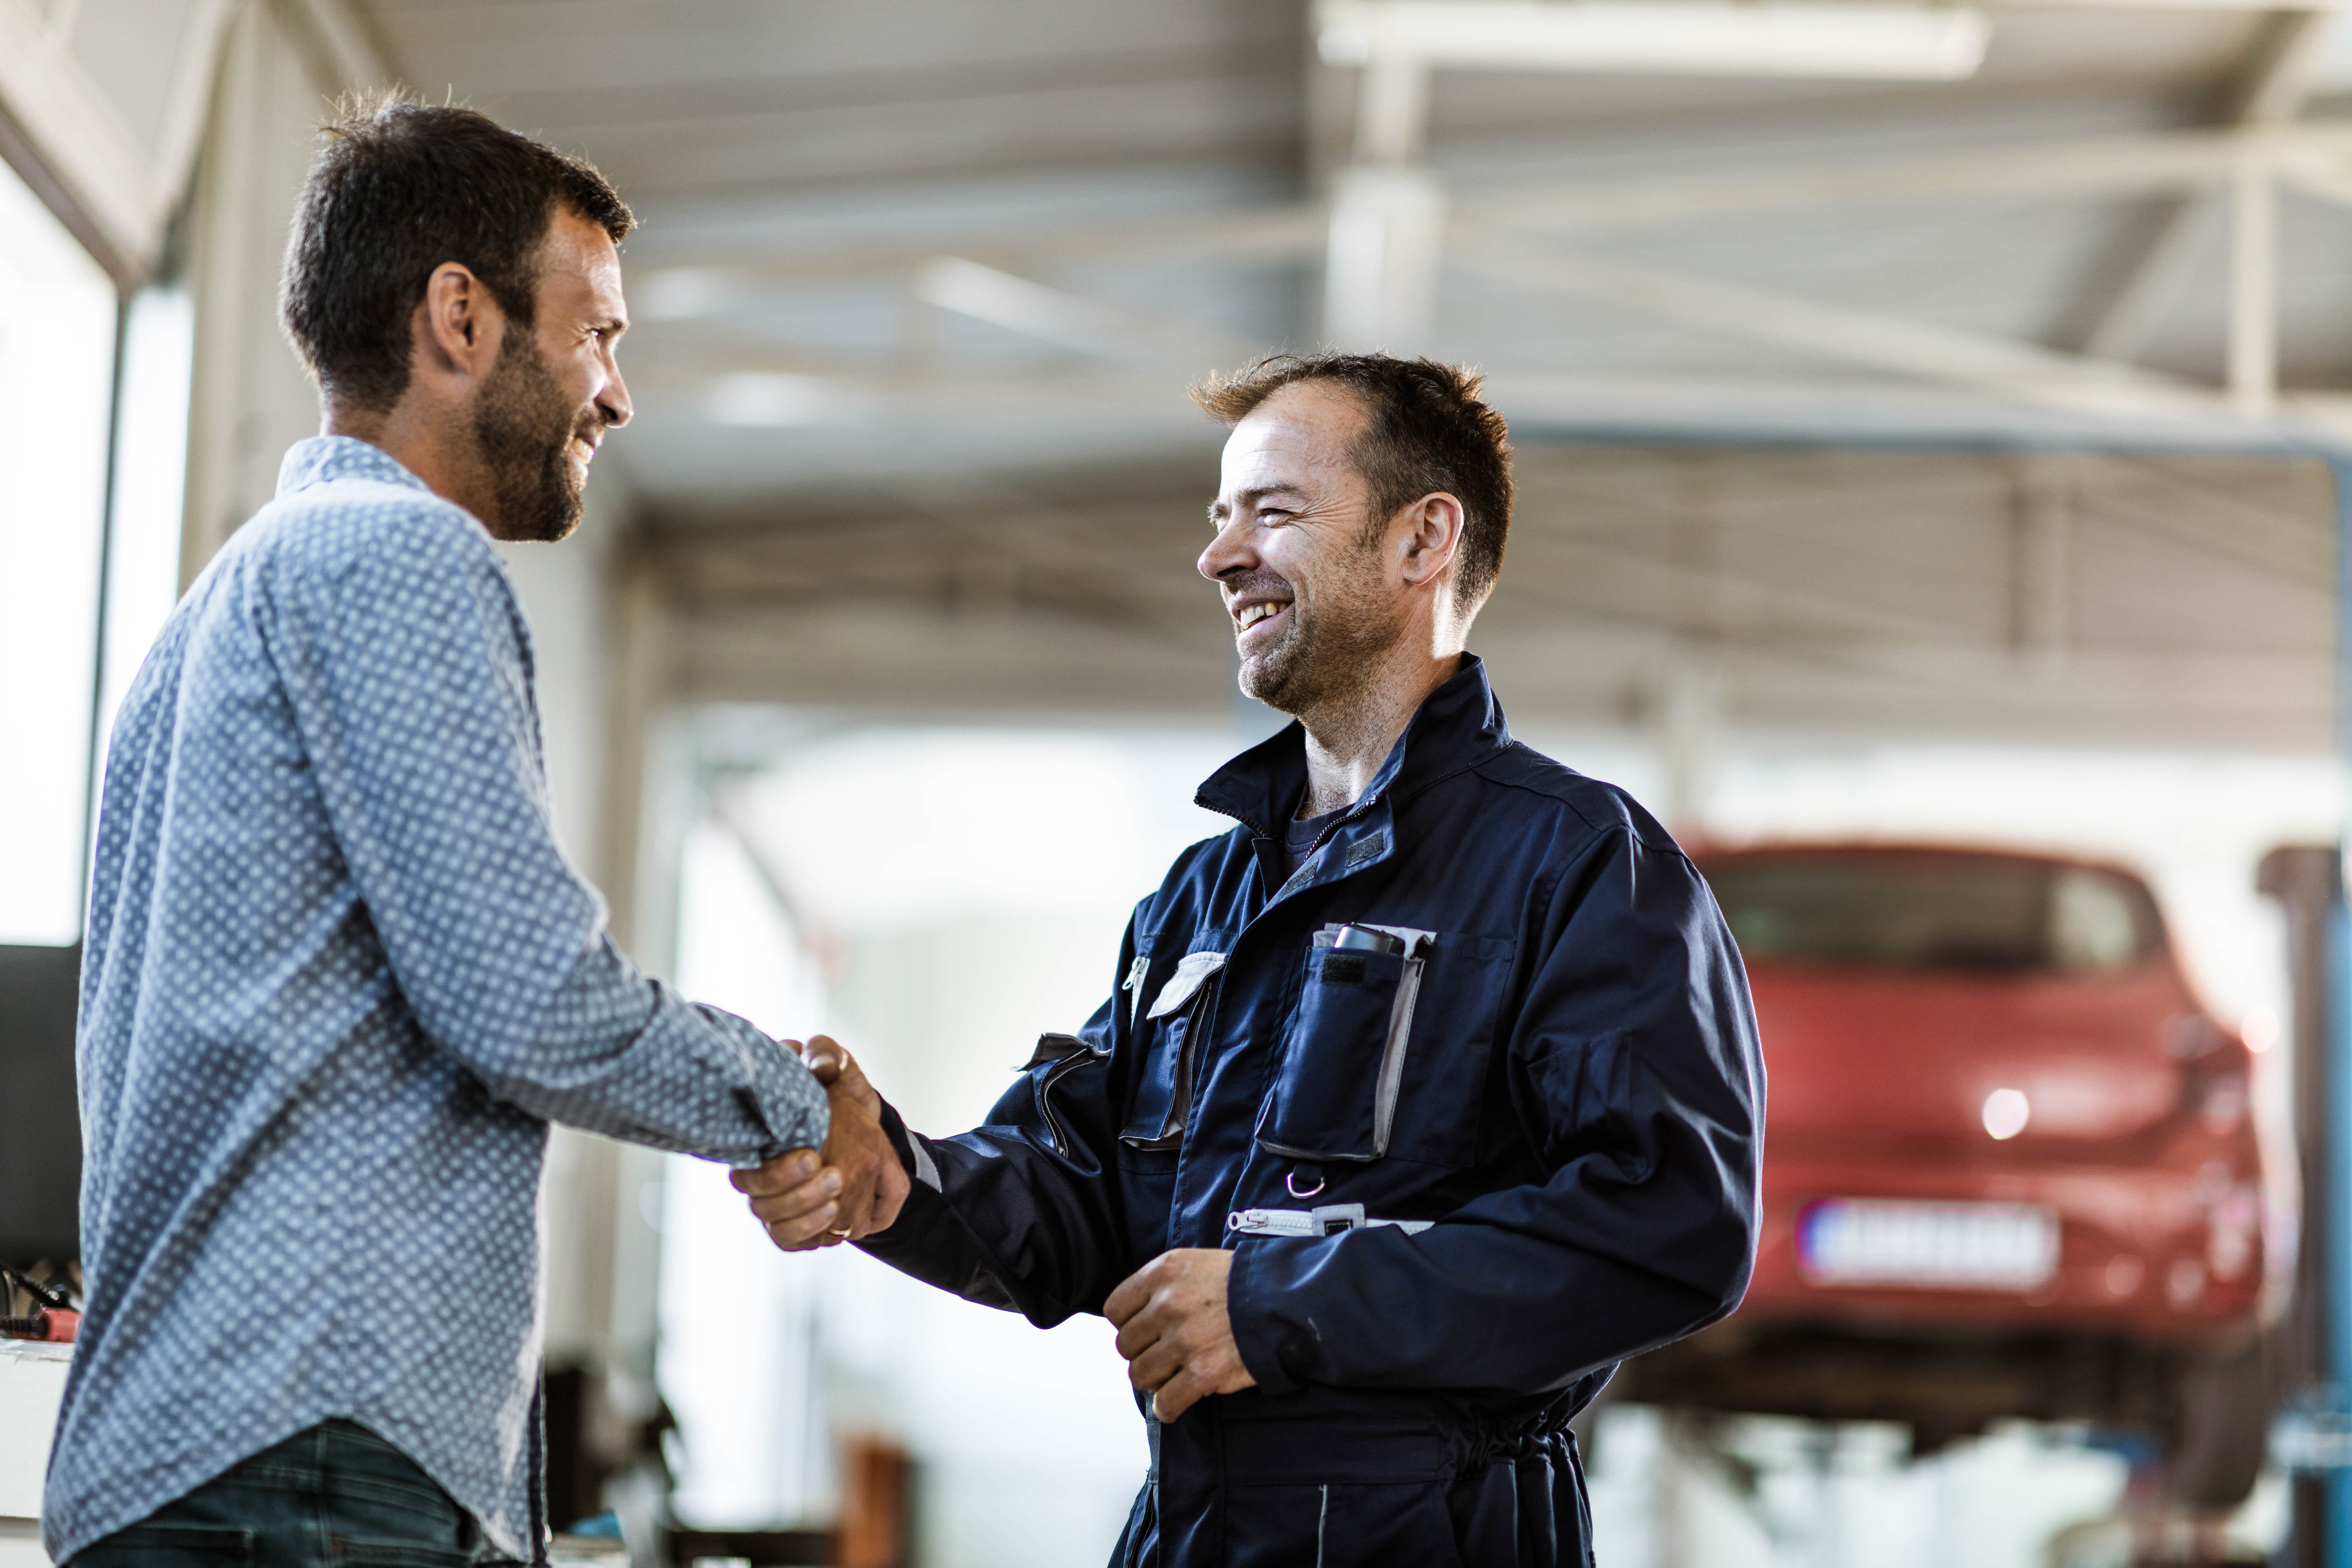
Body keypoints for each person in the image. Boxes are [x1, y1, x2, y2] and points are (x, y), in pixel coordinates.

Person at [740, 353, 1766, 1566]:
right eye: (1220, 519)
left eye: (1271, 512)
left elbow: (1671, 1223)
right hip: (1192, 1528)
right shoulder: (1201, 900)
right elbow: (1075, 1195)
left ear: (1423, 539)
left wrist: (1282, 1309)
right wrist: (894, 1179)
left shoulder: (1577, 865)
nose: (1219, 557)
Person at [44, 99, 878, 1568]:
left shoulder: (214, 616)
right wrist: (800, 1104)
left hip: (203, 1453)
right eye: (598, 335)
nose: (614, 394)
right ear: (460, 318)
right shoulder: (396, 556)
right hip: (308, 1454)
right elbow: (532, 1002)